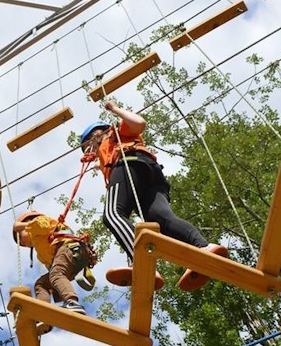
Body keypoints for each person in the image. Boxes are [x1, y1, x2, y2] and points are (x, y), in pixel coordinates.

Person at [80, 101, 227, 291]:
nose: (89, 152)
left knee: (112, 214)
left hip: (128, 164)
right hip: (150, 173)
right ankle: (204, 247)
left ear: (96, 135)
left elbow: (139, 123)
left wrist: (115, 110)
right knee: (162, 219)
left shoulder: (114, 133)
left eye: (88, 146)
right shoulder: (110, 147)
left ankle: (141, 263)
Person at [12, 211, 97, 328]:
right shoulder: (41, 249)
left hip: (69, 248)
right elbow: (53, 267)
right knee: (41, 283)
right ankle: (43, 313)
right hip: (71, 259)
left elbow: (40, 224)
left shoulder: (40, 223)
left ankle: (72, 302)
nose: (22, 243)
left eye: (20, 238)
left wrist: (20, 226)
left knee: (56, 274)